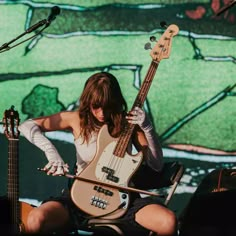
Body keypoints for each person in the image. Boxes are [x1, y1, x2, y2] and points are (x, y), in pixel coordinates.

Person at [19, 72, 177, 235]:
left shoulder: (129, 123)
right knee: (35, 218)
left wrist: (148, 128)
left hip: (121, 200)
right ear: (88, 102)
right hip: (78, 197)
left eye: (107, 106)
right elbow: (26, 126)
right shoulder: (76, 119)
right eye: (96, 106)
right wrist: (52, 154)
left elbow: (156, 165)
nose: (102, 113)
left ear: (115, 102)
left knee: (168, 221)